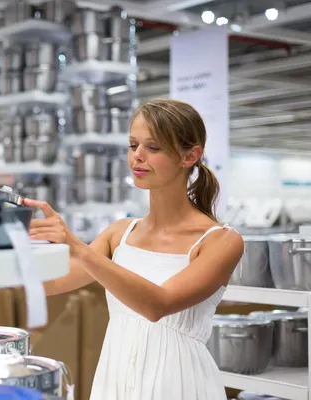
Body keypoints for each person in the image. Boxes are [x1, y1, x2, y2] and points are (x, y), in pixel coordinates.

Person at [23, 98, 244, 400]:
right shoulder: (120, 233)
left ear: (190, 156)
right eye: (133, 145)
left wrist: (78, 248)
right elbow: (50, 285)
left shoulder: (220, 241)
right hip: (115, 379)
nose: (137, 157)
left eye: (153, 148)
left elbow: (158, 305)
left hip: (179, 384)